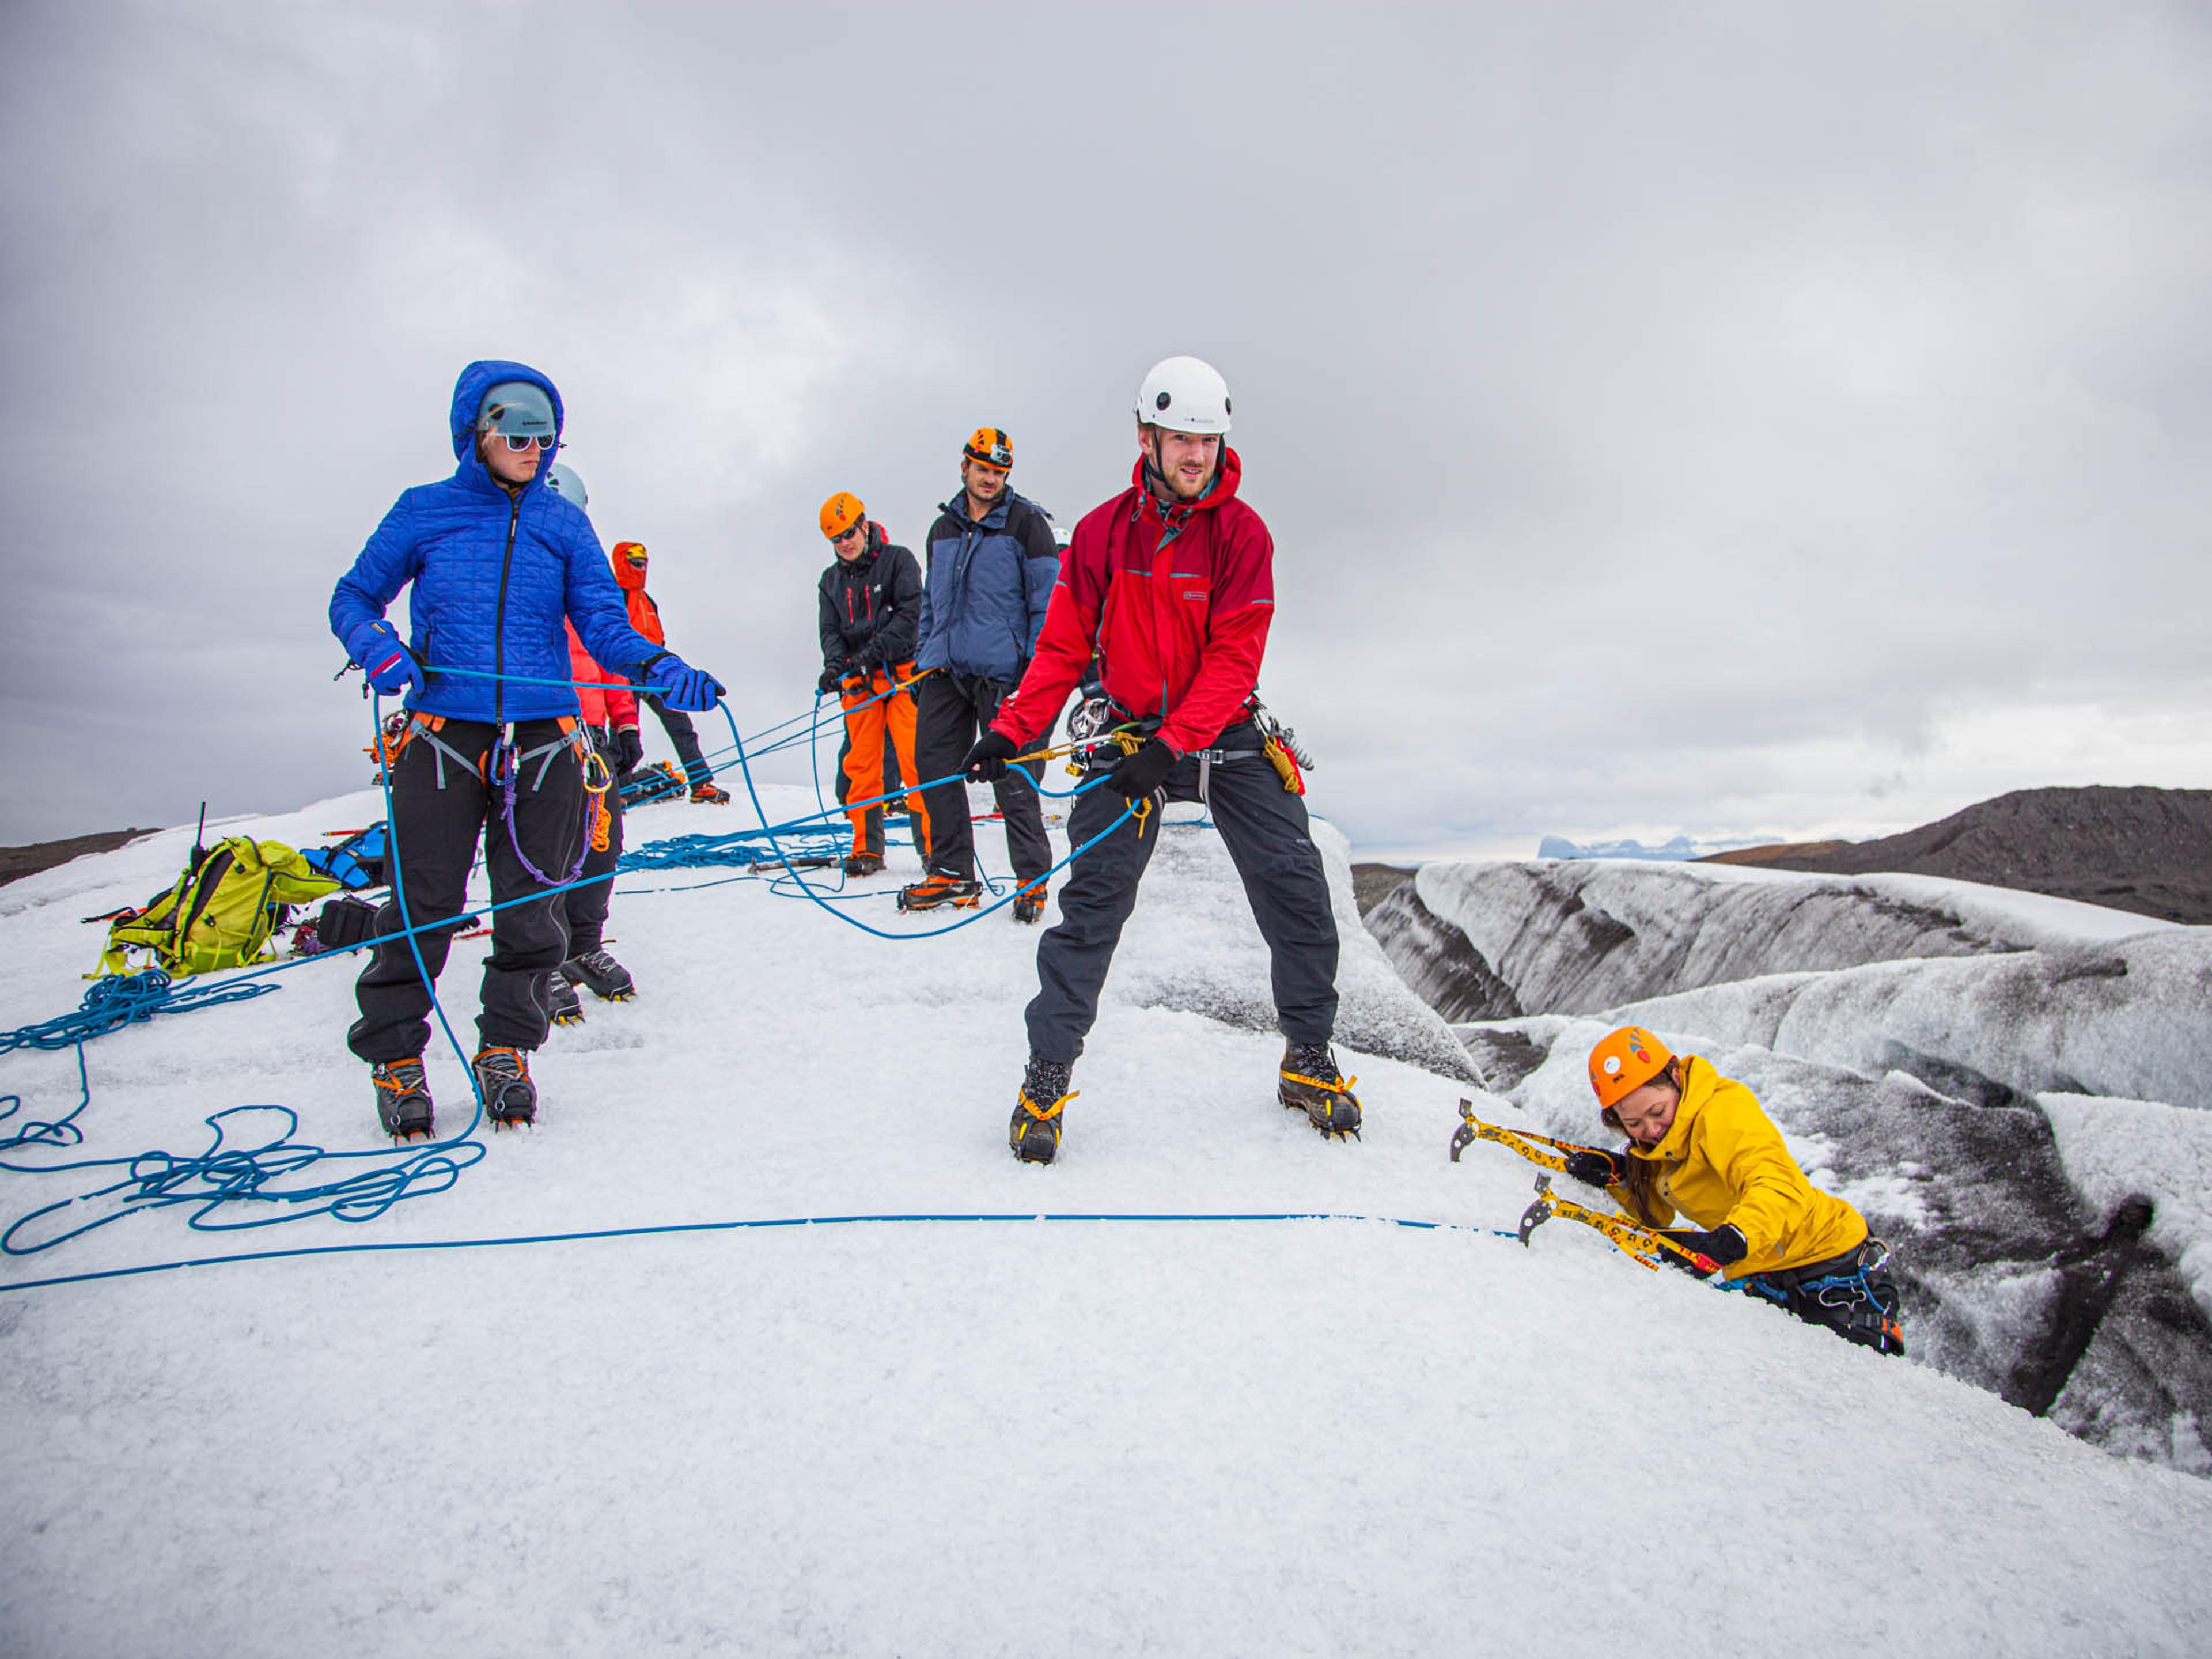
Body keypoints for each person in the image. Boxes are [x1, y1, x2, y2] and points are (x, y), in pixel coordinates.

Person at [964, 358, 1356, 1163]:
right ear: (1147, 436)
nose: (1196, 455)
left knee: (1297, 890)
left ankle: (1307, 1057)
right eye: (1181, 438)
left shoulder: (1244, 537)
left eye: (1208, 441)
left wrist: (1178, 743)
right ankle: (1047, 1075)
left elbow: (1233, 660)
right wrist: (1011, 730)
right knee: (1094, 906)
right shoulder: (1105, 533)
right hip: (1134, 733)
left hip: (1224, 736)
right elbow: (1064, 646)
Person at [330, 361, 722, 1137]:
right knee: (424, 908)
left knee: (531, 908)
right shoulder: (424, 512)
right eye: (517, 436)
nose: (534, 452)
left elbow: (605, 624)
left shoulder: (564, 524)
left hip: (546, 739)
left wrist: (657, 667)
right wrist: (377, 647)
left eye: (547, 440)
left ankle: (506, 1047)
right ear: (474, 433)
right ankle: (397, 1056)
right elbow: (353, 597)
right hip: (446, 733)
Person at [1565, 1025, 1907, 1355]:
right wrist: (1619, 1179)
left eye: (1657, 1112)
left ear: (1677, 1079)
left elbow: (1775, 1182)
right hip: (1767, 1271)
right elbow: (1657, 1214)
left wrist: (1734, 1238)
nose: (1651, 1130)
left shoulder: (1722, 1111)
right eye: (1634, 1124)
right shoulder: (1665, 1145)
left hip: (1832, 1264)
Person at [900, 427, 1059, 920]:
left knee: (1013, 777)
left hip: (1005, 674)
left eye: (999, 471)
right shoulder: (941, 530)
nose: (990, 478)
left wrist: (1035, 670)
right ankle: (952, 874)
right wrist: (924, 661)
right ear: (964, 467)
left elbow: (1047, 603)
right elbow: (931, 603)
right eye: (982, 468)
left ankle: (1031, 878)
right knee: (933, 767)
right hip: (946, 671)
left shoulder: (1028, 525)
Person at [543, 463, 642, 1014]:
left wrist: (625, 722)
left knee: (601, 846)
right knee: (542, 851)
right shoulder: (520, 578)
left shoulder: (591, 581)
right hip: (541, 732)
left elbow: (612, 656)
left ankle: (583, 946)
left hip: (594, 735)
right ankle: (540, 956)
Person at [816, 491, 931, 877]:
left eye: (849, 532)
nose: (844, 543)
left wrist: (869, 657)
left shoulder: (899, 561)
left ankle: (933, 849)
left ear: (864, 525)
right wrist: (835, 667)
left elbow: (910, 616)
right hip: (858, 682)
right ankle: (867, 848)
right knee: (862, 764)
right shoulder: (830, 582)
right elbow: (831, 631)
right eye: (836, 538)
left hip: (901, 674)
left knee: (916, 761)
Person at [611, 539, 730, 804]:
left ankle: (701, 783)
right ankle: (620, 790)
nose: (641, 567)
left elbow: (657, 636)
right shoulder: (615, 597)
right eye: (634, 561)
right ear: (622, 562)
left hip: (655, 674)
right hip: (625, 674)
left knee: (681, 725)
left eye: (644, 562)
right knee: (624, 731)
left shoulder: (647, 600)